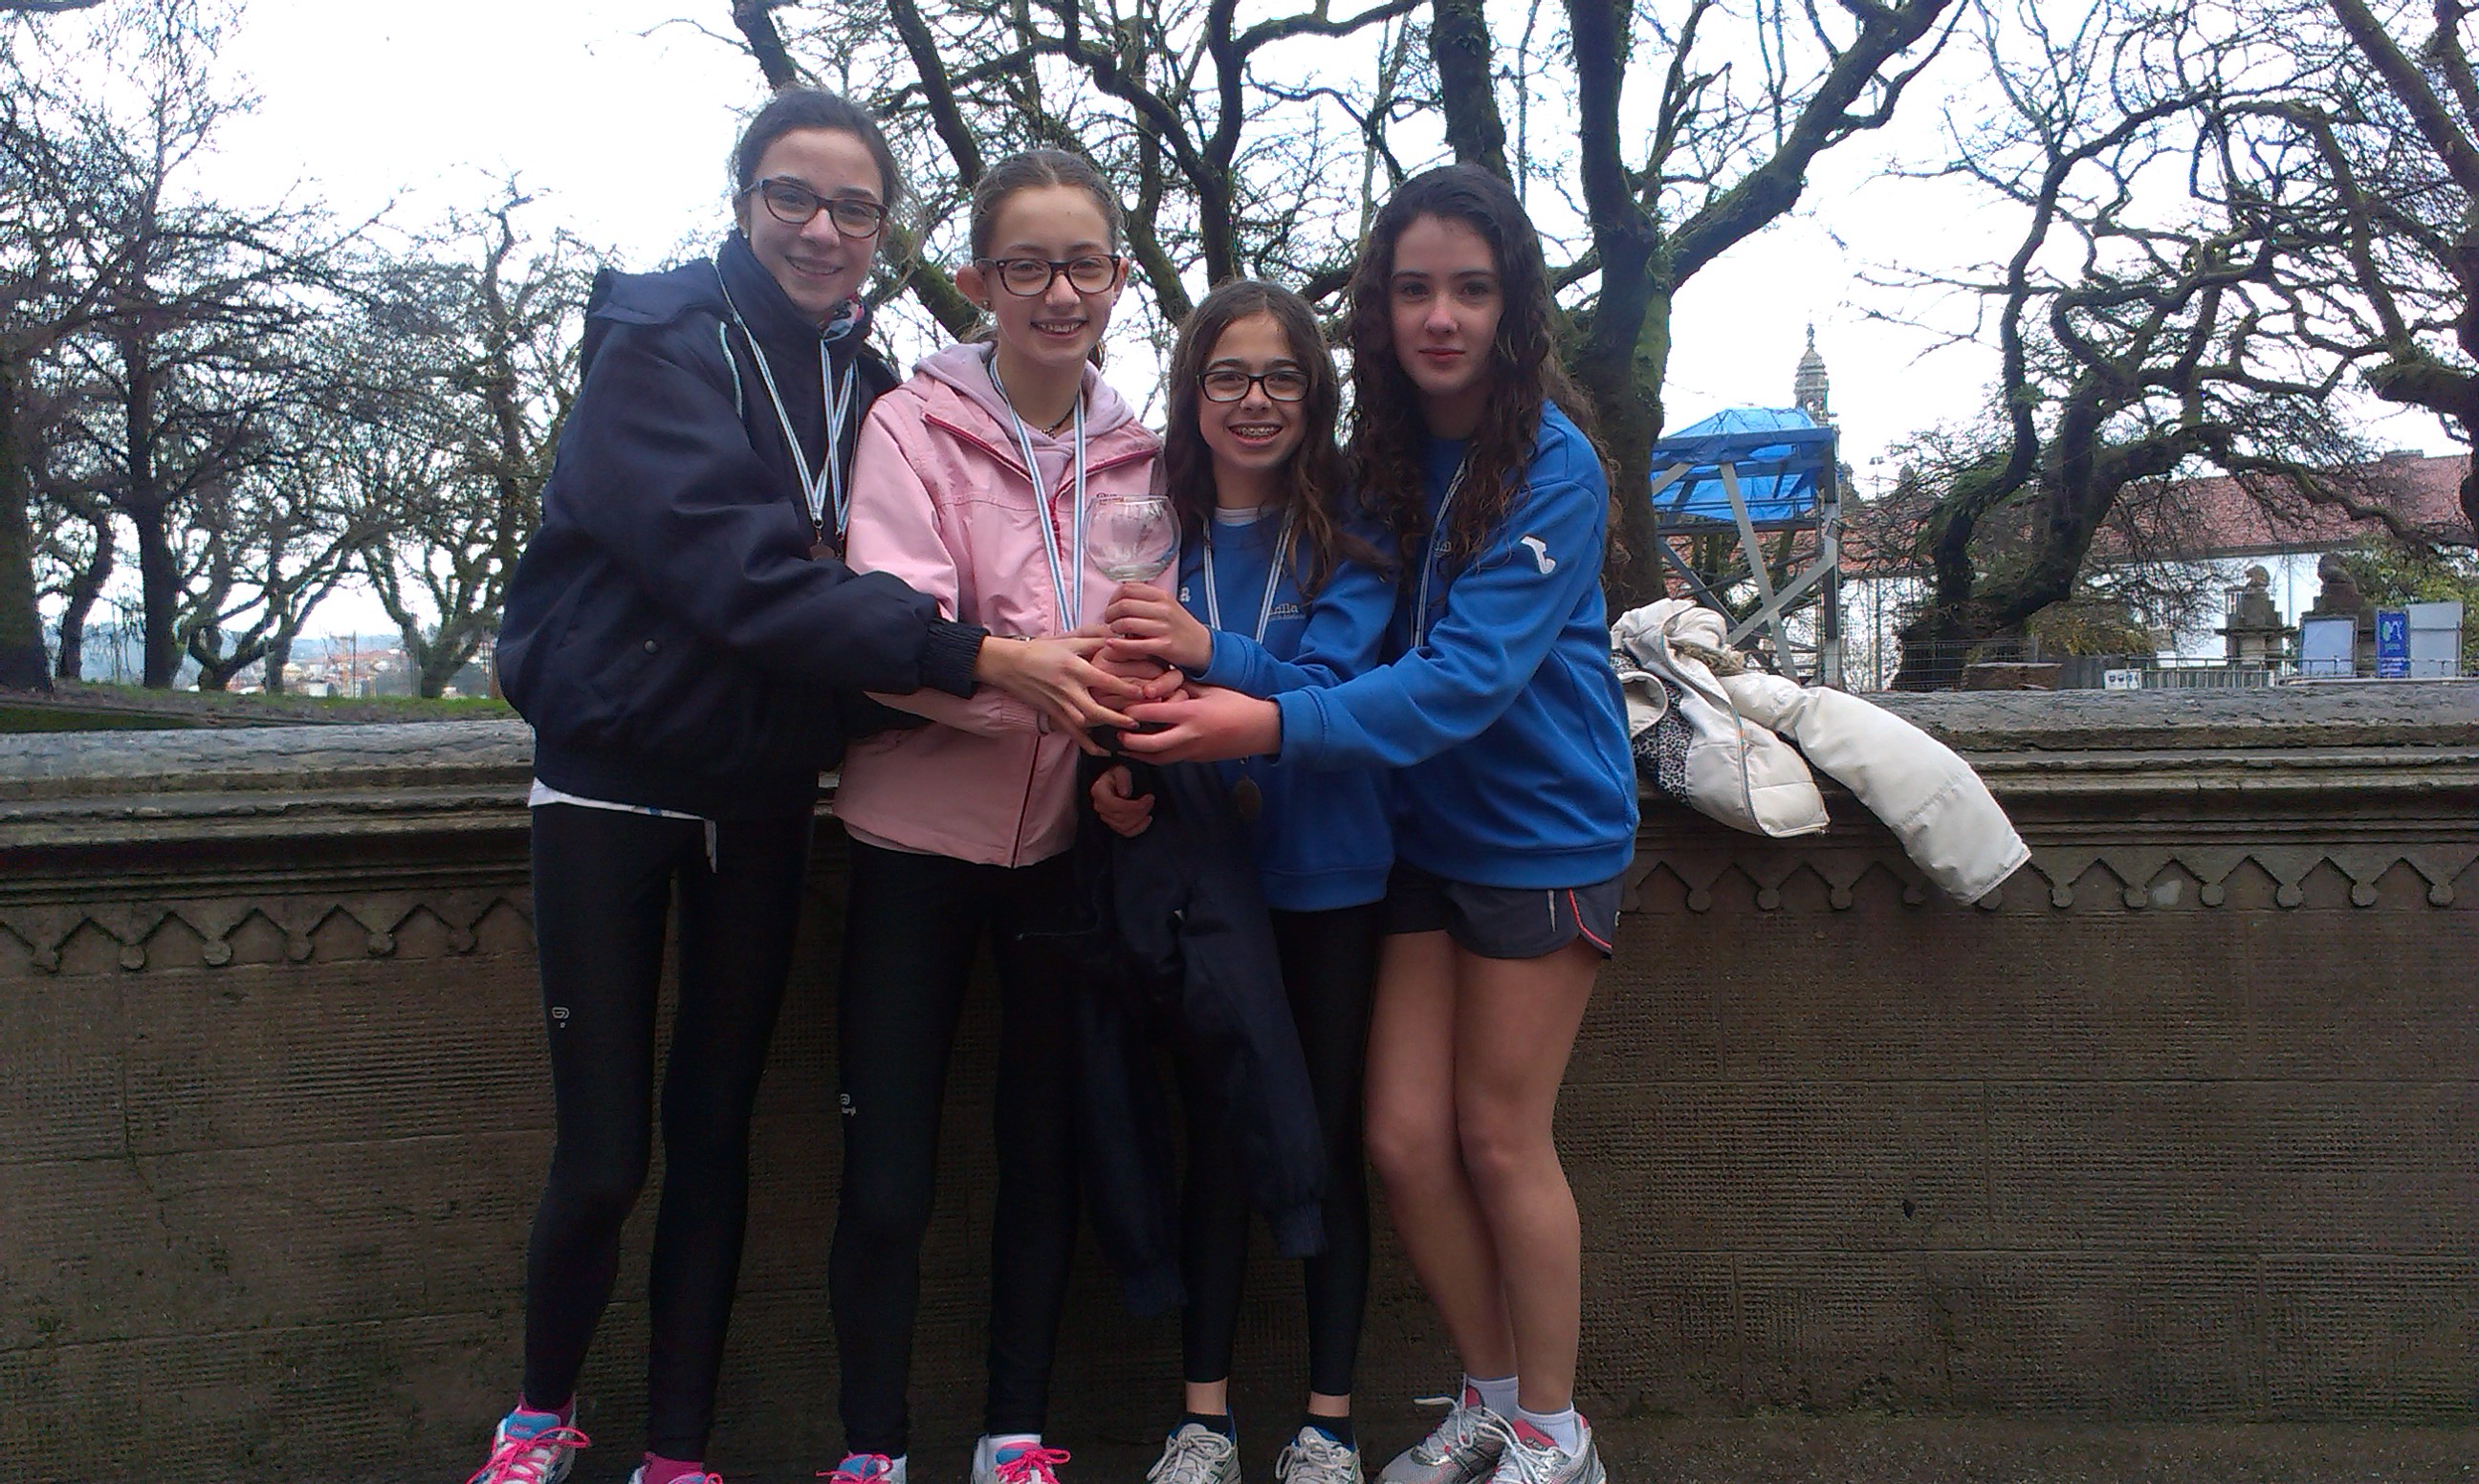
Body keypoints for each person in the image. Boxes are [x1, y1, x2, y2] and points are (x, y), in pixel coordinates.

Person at [476, 94, 1133, 1484]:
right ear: (742, 199)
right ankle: (534, 1424)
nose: (822, 229)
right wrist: (982, 657)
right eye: (793, 196)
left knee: (718, 1134)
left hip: (766, 790)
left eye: (854, 208)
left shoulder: (865, 377)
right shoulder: (657, 341)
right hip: (613, 782)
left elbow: (843, 599)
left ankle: (677, 1452)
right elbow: (747, 575)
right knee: (605, 1152)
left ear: (883, 232)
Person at [1119, 164, 1638, 1484]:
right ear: (1379, 309)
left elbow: (1461, 680)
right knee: (1402, 1141)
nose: (1440, 316)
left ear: (1513, 307)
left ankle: (1556, 1434)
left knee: (1499, 1136)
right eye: (1413, 290)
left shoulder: (1554, 465)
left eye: (1471, 289)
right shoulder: (1387, 463)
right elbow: (1345, 655)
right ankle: (1489, 1396)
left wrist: (1262, 723)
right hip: (1417, 833)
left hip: (1539, 833)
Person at [819, 148, 1160, 1484]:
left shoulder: (1140, 454)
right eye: (1027, 266)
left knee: (1042, 1149)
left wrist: (1119, 742)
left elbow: (1146, 637)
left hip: (1063, 850)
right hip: (911, 845)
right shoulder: (910, 427)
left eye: (1083, 265)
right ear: (977, 281)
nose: (1058, 294)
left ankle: (1014, 1434)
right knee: (890, 1172)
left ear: (1119, 279)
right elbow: (889, 637)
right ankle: (871, 1447)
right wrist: (1028, 678)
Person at [1086, 280, 1395, 1484]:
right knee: (1214, 1130)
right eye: (1227, 376)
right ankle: (1203, 1421)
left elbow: (1338, 688)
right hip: (1200, 874)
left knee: (1325, 1131)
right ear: (1192, 392)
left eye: (1280, 377)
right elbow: (1114, 678)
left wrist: (1207, 648)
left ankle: (1329, 1424)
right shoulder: (1150, 523)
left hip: (1328, 874)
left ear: (1315, 394)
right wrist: (1112, 777)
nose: (1254, 400)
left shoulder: (1355, 528)